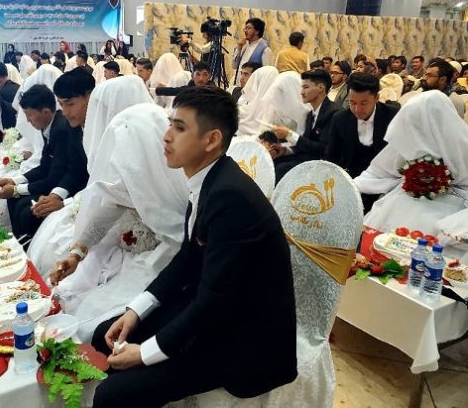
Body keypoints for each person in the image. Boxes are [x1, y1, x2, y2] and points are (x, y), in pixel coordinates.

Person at [90, 86, 297, 408]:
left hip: (243, 336)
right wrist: (136, 310)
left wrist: (144, 354)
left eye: (179, 128)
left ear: (211, 139)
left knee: (112, 394)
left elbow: (216, 301)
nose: (166, 136)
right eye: (170, 124)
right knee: (104, 335)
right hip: (213, 307)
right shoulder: (208, 179)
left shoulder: (231, 198)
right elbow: (188, 257)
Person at [48, 102, 190, 342]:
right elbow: (108, 212)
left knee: (93, 321)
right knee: (72, 299)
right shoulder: (129, 174)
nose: (122, 159)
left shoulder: (181, 181)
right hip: (132, 251)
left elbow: (179, 240)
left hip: (164, 259)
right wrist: (76, 254)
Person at [28, 75, 154, 280]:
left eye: (69, 104)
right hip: (102, 208)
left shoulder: (143, 150)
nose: (65, 112)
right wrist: (77, 253)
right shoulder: (87, 132)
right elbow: (112, 199)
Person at [355, 91, 468, 250]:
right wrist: (349, 186)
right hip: (405, 200)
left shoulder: (462, 146)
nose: (414, 130)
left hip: (450, 213)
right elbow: (380, 171)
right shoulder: (410, 140)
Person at [0, 80, 89, 238]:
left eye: (29, 115)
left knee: (27, 210)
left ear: (45, 112)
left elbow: (57, 176)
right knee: (15, 200)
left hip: (72, 187)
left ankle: (27, 245)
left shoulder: (61, 129)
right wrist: (13, 181)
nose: (28, 120)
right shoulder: (49, 126)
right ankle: (20, 243)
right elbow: (45, 166)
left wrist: (16, 190)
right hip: (60, 180)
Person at [326, 73, 398, 211]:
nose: (357, 109)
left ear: (376, 98)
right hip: (351, 180)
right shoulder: (340, 119)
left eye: (363, 103)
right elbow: (332, 156)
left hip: (384, 179)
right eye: (352, 103)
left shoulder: (392, 116)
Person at [270, 69, 338, 182]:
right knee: (274, 160)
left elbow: (323, 148)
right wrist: (285, 150)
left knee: (282, 168)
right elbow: (307, 143)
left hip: (323, 165)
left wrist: (289, 134)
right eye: (302, 88)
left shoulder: (333, 113)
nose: (301, 92)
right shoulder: (311, 114)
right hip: (308, 159)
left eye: (306, 87)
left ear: (320, 88)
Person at [232, 18, 274, 86]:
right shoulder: (245, 46)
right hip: (239, 85)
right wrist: (239, 48)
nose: (245, 31)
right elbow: (234, 66)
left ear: (257, 31)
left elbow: (267, 74)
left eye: (249, 28)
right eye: (245, 28)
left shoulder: (265, 50)